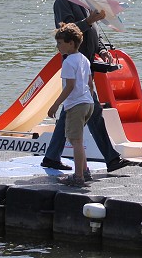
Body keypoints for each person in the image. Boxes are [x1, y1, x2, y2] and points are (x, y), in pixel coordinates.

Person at [41, 0, 131, 175]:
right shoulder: (64, 1)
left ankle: (52, 157)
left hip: (87, 62)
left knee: (77, 109)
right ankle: (111, 158)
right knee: (91, 110)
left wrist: (103, 49)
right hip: (75, 62)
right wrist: (89, 19)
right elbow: (68, 32)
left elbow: (94, 30)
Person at [47, 23, 95, 186]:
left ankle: (78, 177)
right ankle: (85, 171)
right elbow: (90, 83)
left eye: (60, 43)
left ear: (71, 43)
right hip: (88, 103)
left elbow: (70, 86)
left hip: (76, 105)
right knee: (79, 140)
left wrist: (55, 105)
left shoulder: (68, 62)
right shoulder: (84, 59)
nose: (58, 46)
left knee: (75, 141)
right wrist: (91, 99)